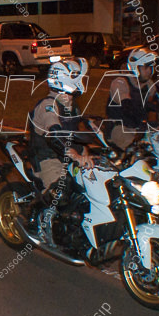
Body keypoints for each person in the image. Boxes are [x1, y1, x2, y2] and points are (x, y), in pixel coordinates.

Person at [27, 57, 99, 209]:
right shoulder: (48, 106)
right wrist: (77, 157)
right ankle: (32, 214)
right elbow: (55, 136)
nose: (81, 80)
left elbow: (78, 135)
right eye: (77, 76)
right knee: (61, 191)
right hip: (47, 157)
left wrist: (86, 153)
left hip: (65, 155)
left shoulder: (71, 105)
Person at [105, 47, 159, 150]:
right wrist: (143, 120)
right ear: (135, 67)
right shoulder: (120, 83)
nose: (149, 71)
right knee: (138, 152)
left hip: (141, 128)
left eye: (151, 67)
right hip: (121, 128)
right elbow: (127, 107)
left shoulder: (149, 84)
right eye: (146, 67)